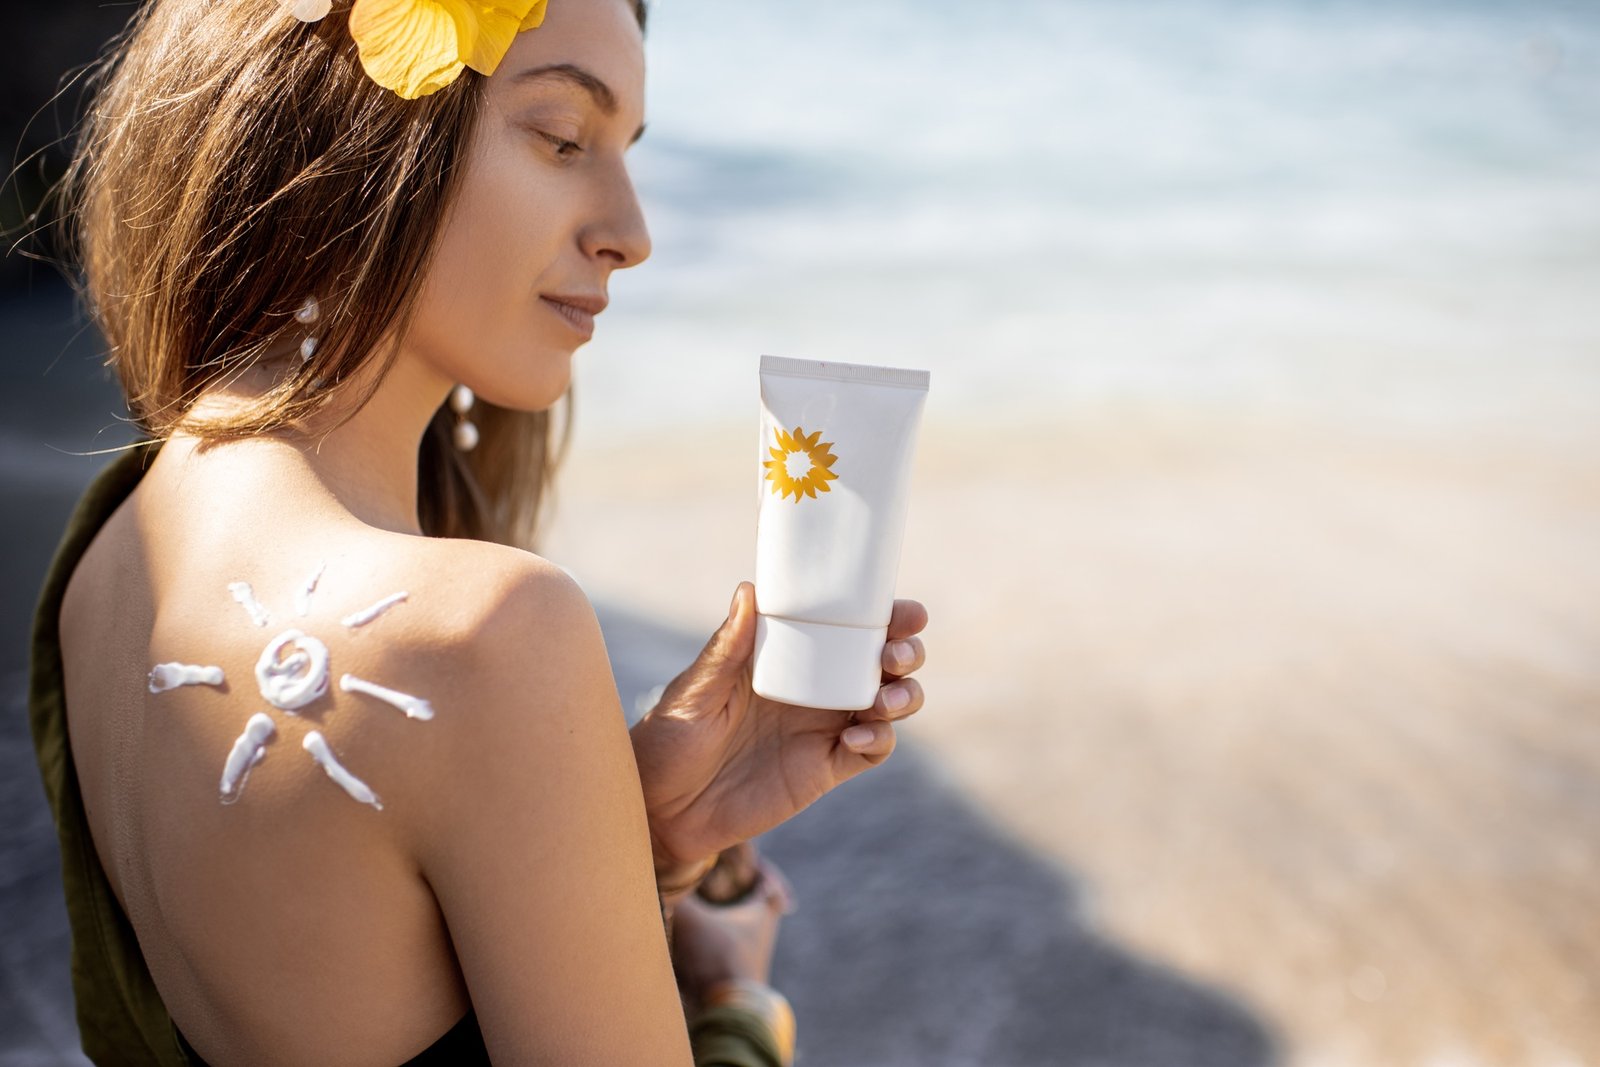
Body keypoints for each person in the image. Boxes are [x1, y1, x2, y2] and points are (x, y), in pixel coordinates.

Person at [25, 0, 931, 1062]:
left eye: (627, 153)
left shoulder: (108, 549)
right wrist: (737, 1006)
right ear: (353, 129)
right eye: (561, 140)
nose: (630, 234)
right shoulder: (482, 632)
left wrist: (642, 845)